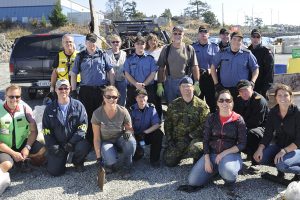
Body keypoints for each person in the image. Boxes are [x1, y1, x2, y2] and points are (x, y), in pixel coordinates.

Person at [178, 90, 246, 193]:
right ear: (217, 103)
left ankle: (229, 180)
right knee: (193, 181)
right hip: (212, 153)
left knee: (228, 172)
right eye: (221, 100)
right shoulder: (211, 118)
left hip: (230, 154)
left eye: (228, 100)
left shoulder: (238, 119)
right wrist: (207, 159)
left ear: (232, 102)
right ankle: (217, 170)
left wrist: (223, 154)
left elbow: (242, 144)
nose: (224, 103)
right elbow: (205, 140)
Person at [70, 33, 115, 146]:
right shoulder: (80, 56)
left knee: (103, 115)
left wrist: (112, 87)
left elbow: (111, 71)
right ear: (85, 43)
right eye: (90, 42)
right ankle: (90, 141)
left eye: (94, 42)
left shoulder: (103, 55)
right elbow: (74, 74)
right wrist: (74, 90)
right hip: (86, 91)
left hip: (101, 90)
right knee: (88, 116)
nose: (92, 44)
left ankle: (103, 140)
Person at [42, 79, 90, 176]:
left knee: (84, 146)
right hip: (58, 144)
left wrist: (72, 142)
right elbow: (46, 129)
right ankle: (58, 159)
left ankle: (77, 162)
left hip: (74, 142)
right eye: (60, 88)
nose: (63, 90)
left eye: (66, 88)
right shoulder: (49, 108)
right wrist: (53, 145)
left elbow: (83, 126)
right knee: (54, 172)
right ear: (55, 89)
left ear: (70, 89)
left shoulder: (78, 105)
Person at [253, 84, 300, 183]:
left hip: (296, 148)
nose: (282, 98)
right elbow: (268, 134)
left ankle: (295, 171)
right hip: (281, 145)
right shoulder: (273, 113)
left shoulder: (297, 113)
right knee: (261, 157)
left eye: (286, 95)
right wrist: (260, 148)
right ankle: (281, 172)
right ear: (275, 98)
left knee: (282, 164)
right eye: (279, 95)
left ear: (290, 97)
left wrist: (284, 151)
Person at [0, 85, 46, 179]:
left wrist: (27, 148)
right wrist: (13, 153)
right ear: (5, 96)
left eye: (17, 96)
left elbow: (33, 131)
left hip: (21, 144)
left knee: (43, 151)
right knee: (7, 164)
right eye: (11, 96)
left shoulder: (25, 109)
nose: (14, 99)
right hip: (4, 148)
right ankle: (14, 161)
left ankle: (22, 160)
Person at [163, 76, 209, 167]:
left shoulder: (202, 106)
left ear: (193, 87)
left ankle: (198, 159)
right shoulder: (173, 104)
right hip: (179, 139)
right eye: (183, 86)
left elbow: (205, 125)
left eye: (188, 86)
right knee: (169, 161)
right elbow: (168, 123)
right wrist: (169, 139)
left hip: (195, 139)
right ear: (180, 88)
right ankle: (182, 153)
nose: (186, 89)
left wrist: (191, 135)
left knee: (196, 148)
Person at [92, 86, 136, 178]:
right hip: (106, 141)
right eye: (108, 97)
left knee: (131, 142)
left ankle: (127, 167)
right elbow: (96, 138)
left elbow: (130, 129)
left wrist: (128, 132)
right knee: (110, 160)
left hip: (119, 138)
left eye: (114, 97)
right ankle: (109, 164)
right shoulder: (97, 113)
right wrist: (98, 158)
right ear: (104, 97)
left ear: (117, 98)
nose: (111, 99)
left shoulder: (123, 111)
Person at [157, 26, 200, 104]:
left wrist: (196, 82)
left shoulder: (189, 48)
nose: (177, 36)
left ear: (183, 35)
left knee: (186, 105)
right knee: (171, 106)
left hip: (185, 81)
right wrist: (160, 84)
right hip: (170, 83)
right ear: (172, 35)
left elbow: (195, 66)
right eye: (175, 33)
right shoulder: (166, 49)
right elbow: (161, 68)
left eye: (180, 34)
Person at [211, 31, 259, 99]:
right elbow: (213, 67)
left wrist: (252, 82)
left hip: (242, 90)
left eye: (239, 40)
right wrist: (216, 84)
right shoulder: (222, 53)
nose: (236, 42)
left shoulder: (247, 54)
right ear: (230, 40)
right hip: (225, 89)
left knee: (241, 109)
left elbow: (255, 69)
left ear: (242, 42)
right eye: (234, 39)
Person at [234, 80, 269, 171]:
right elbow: (235, 115)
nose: (244, 93)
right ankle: (235, 160)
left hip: (262, 127)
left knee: (251, 133)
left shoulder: (259, 100)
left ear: (252, 88)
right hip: (245, 125)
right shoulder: (238, 99)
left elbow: (256, 122)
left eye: (246, 89)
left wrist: (240, 128)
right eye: (241, 91)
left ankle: (256, 162)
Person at [130, 89, 163, 167]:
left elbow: (157, 124)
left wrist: (145, 132)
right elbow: (128, 127)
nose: (142, 99)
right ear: (136, 98)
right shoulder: (131, 110)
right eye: (139, 97)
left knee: (159, 133)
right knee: (138, 155)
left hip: (146, 134)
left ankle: (154, 160)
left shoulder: (151, 108)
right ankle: (135, 154)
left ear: (147, 98)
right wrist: (135, 139)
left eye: (144, 96)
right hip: (135, 136)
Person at [123, 36, 158, 110]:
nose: (140, 46)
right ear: (134, 45)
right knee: (131, 110)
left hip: (147, 88)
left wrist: (143, 84)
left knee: (149, 110)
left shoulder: (150, 59)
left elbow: (153, 73)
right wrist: (136, 84)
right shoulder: (129, 59)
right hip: (133, 89)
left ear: (145, 45)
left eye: (142, 43)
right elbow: (127, 73)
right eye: (138, 43)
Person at [192, 26, 219, 112]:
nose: (203, 34)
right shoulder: (192, 47)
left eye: (205, 32)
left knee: (212, 103)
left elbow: (219, 64)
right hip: (197, 79)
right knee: (196, 103)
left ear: (208, 34)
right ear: (198, 35)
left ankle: (213, 122)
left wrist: (210, 70)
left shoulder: (215, 47)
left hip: (210, 78)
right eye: (201, 32)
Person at [248, 29, 274, 98]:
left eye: (258, 37)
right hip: (250, 85)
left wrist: (266, 88)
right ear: (250, 38)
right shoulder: (247, 51)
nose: (255, 39)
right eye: (254, 36)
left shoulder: (266, 52)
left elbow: (270, 71)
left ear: (261, 38)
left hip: (262, 86)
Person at [145, 33, 164, 119]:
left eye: (155, 40)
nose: (153, 42)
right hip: (147, 81)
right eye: (151, 40)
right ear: (147, 41)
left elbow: (163, 65)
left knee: (158, 101)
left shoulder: (160, 51)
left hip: (157, 80)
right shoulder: (145, 52)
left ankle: (159, 118)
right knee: (149, 101)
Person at [106, 34, 127, 106]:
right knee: (110, 101)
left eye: (117, 42)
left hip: (122, 81)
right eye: (113, 42)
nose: (115, 43)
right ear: (110, 43)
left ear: (120, 43)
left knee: (122, 101)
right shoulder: (106, 54)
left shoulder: (124, 54)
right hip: (109, 82)